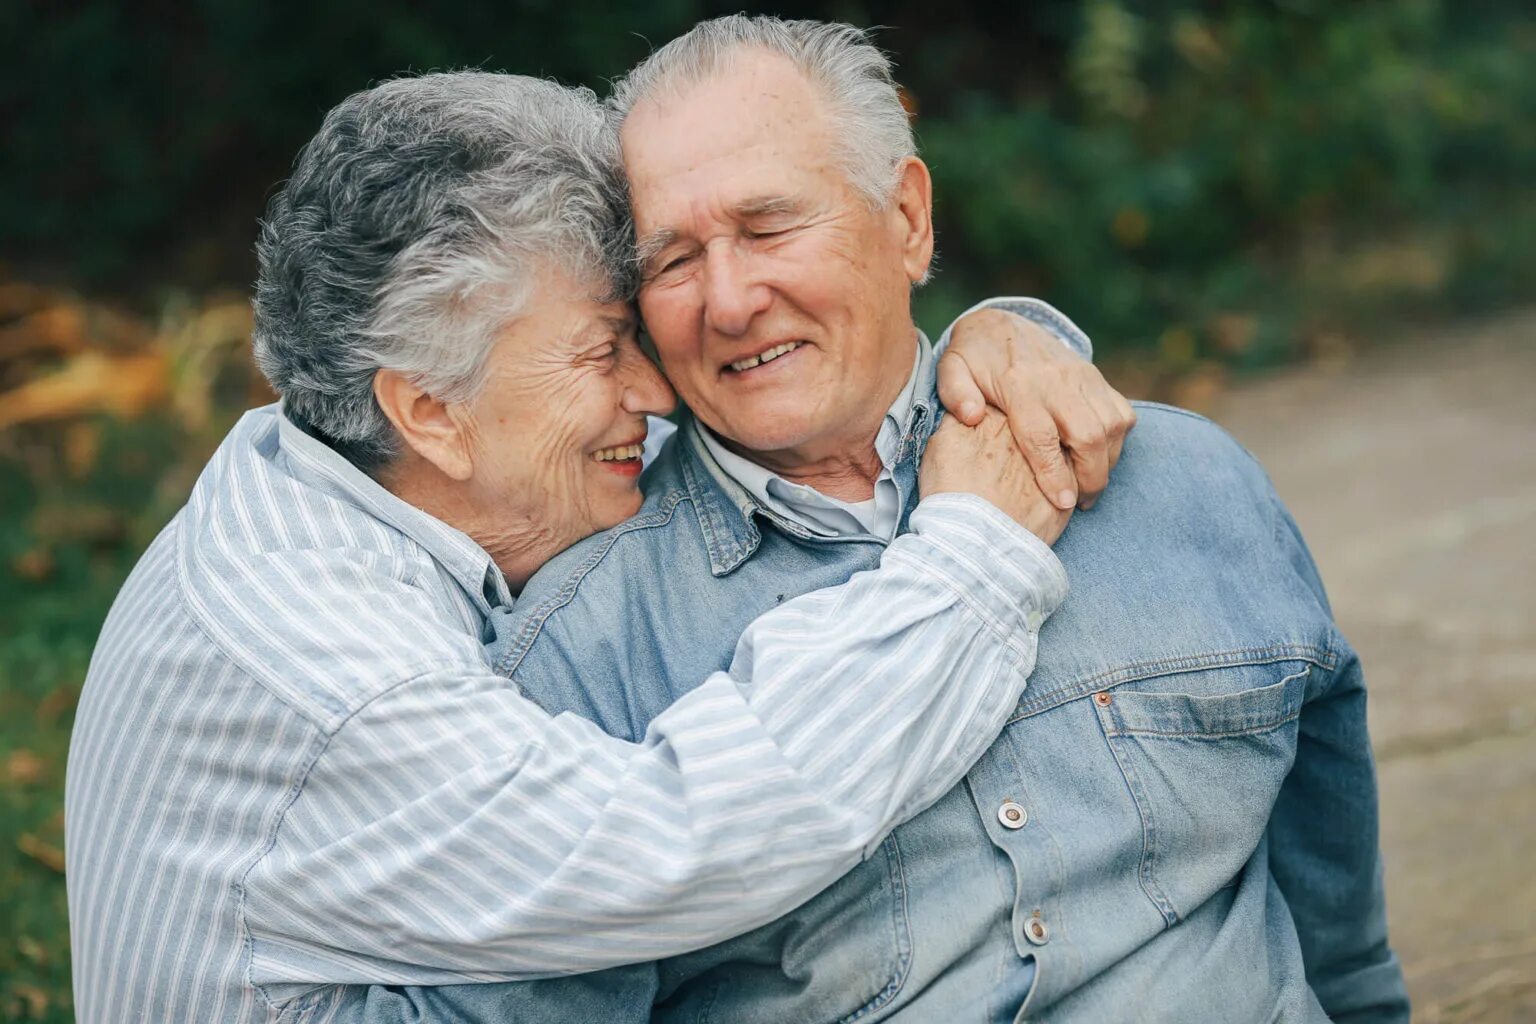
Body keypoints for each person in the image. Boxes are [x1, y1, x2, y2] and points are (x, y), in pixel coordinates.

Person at [371, 16, 1410, 1023]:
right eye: (673, 260)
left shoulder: (1184, 486)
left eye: (770, 224)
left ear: (907, 220)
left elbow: (1334, 907)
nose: (728, 301)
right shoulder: (585, 655)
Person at [62, 71, 1132, 1022]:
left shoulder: (362, 465)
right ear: (430, 408)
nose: (653, 391)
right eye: (602, 348)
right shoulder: (321, 656)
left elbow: (802, 396)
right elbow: (680, 844)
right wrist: (975, 558)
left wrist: (988, 346)